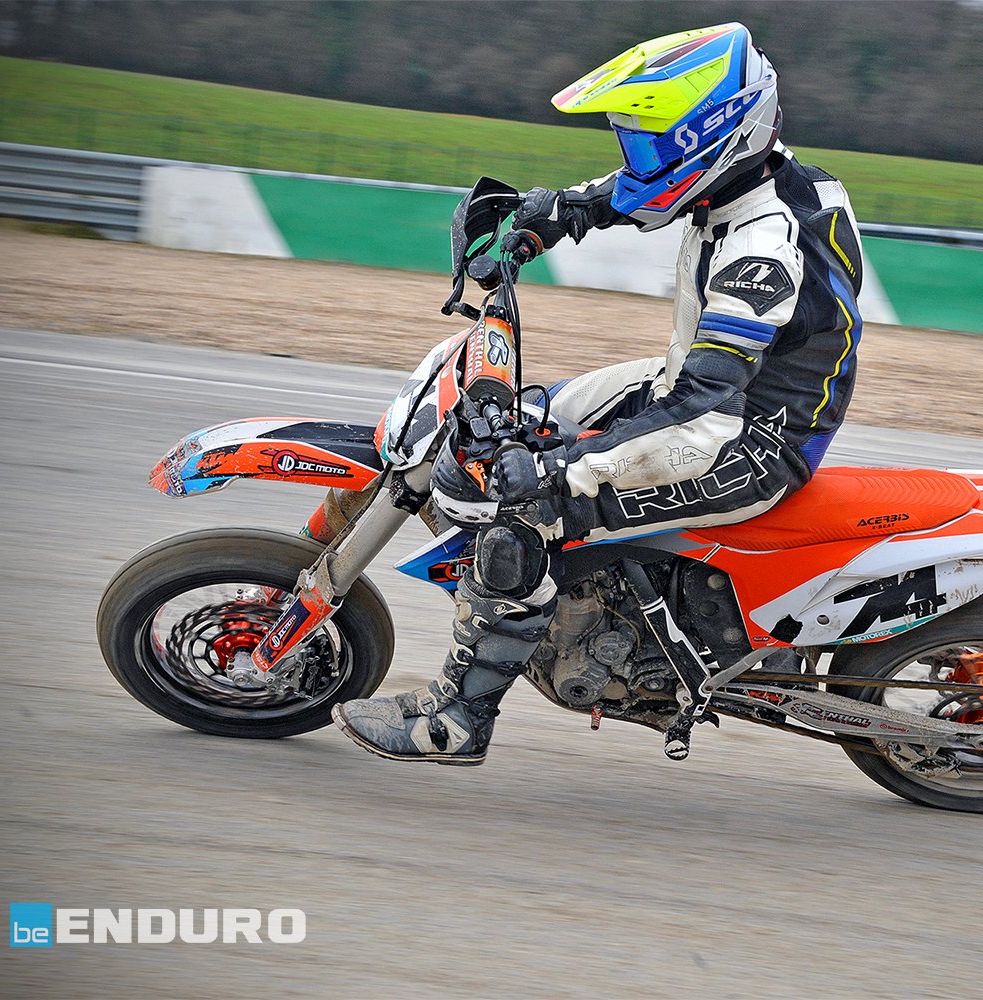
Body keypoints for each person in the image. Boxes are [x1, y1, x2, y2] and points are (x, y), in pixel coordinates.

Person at [332, 22, 865, 763]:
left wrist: (560, 470)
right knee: (523, 419)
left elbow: (704, 409)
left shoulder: (762, 248)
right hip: (705, 391)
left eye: (654, 145)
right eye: (633, 143)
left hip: (745, 438)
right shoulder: (761, 179)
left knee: (527, 507)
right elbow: (641, 192)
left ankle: (456, 721)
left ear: (719, 137)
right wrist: (553, 214)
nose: (638, 161)